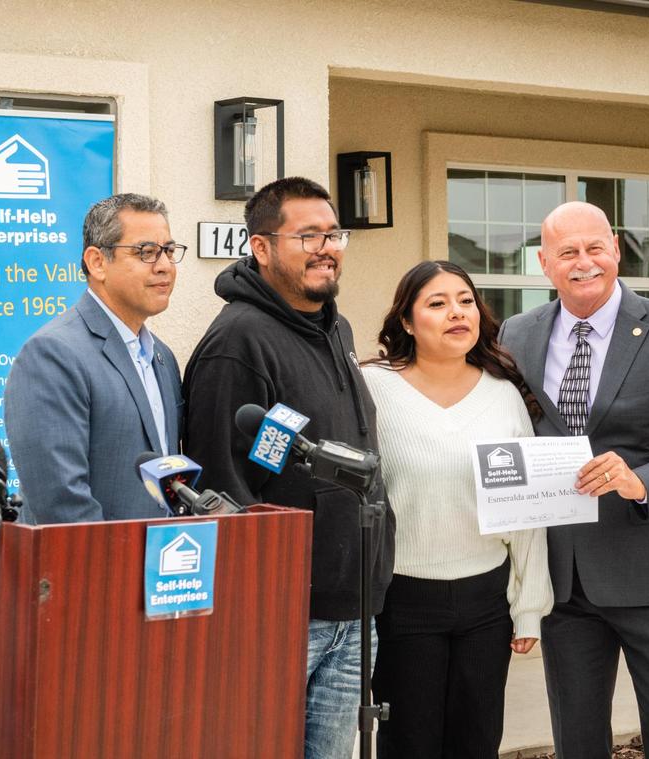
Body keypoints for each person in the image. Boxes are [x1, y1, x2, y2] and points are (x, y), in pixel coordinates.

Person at [499, 201, 649, 759]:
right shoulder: (517, 332)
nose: (584, 262)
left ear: (616, 251)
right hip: (565, 578)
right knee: (576, 740)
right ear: (545, 263)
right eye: (568, 252)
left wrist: (642, 480)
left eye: (595, 248)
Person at [183, 176, 394, 759]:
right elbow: (221, 486)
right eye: (307, 236)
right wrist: (263, 597)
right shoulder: (238, 343)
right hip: (282, 615)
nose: (326, 247)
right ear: (261, 247)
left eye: (333, 234)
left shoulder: (336, 328)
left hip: (353, 607)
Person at [361, 260, 552, 758]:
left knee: (477, 741)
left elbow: (525, 511)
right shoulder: (371, 388)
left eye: (465, 301)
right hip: (402, 601)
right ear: (406, 321)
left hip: (485, 603)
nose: (456, 313)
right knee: (410, 742)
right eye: (437, 303)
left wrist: (528, 608)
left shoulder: (503, 394)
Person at [5, 193, 185, 523]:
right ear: (97, 262)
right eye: (146, 252)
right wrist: (112, 571)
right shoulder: (53, 354)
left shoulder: (162, 356)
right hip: (93, 567)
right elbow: (60, 501)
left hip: (161, 563)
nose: (164, 266)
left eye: (169, 251)